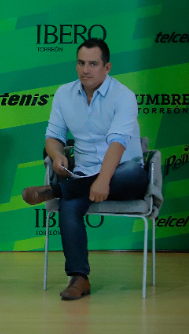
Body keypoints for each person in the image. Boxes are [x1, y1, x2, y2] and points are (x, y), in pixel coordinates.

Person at [23, 38, 148, 300]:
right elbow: (53, 136)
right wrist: (57, 155)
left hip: (124, 174)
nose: (85, 70)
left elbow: (118, 142)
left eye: (93, 64)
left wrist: (104, 179)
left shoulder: (123, 96)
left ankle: (57, 189)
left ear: (107, 67)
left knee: (129, 174)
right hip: (84, 175)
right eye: (81, 63)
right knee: (69, 204)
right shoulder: (64, 94)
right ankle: (79, 278)